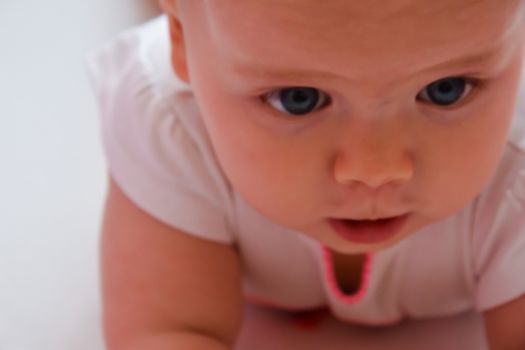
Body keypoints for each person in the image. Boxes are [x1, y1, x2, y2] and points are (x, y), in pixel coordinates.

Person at [87, 0, 525, 349]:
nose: (375, 170)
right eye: (299, 99)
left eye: (445, 90)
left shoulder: (517, 165)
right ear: (180, 40)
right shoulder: (174, 124)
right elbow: (167, 330)